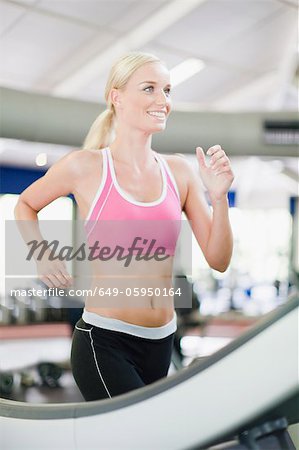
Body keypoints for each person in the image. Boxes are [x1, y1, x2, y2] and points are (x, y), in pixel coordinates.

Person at [14, 51, 234, 401]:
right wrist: (41, 254)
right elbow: (25, 203)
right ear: (116, 97)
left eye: (167, 90)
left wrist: (219, 198)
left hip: (162, 341)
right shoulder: (85, 166)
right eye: (149, 88)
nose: (163, 100)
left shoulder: (179, 172)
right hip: (104, 341)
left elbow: (219, 259)